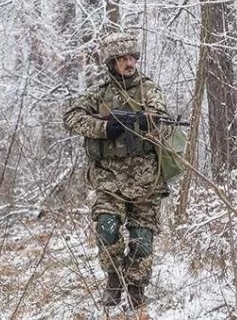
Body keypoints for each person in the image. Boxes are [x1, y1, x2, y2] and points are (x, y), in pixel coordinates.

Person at [63, 32, 173, 309]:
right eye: (122, 59)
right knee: (107, 226)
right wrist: (103, 128)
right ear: (112, 63)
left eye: (132, 57)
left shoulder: (148, 89)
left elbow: (161, 115)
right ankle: (113, 279)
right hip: (108, 177)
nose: (129, 63)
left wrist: (149, 121)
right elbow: (71, 117)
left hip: (146, 177)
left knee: (142, 236)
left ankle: (136, 289)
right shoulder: (99, 93)